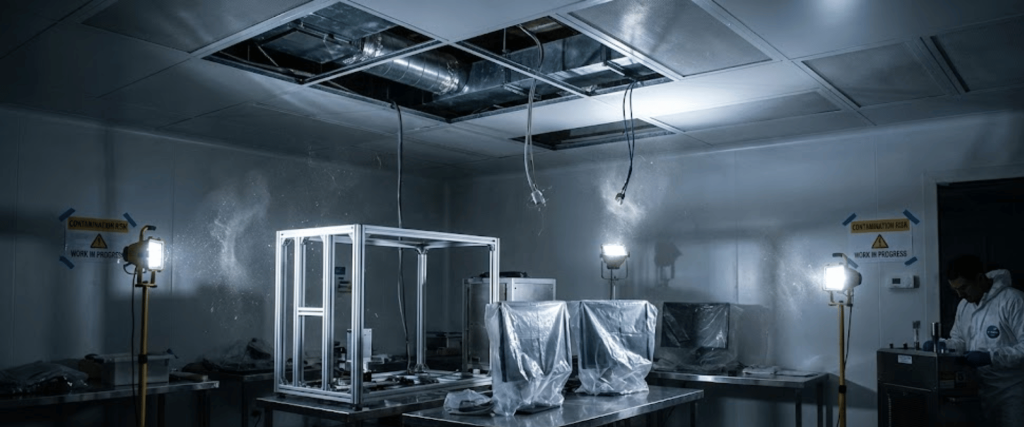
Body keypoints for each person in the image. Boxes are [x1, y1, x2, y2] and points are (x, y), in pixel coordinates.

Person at [940, 255, 1024, 426]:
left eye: (963, 288)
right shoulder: (964, 306)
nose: (960, 295)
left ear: (979, 278)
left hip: (1012, 392)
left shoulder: (1013, 301)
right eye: (955, 290)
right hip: (979, 391)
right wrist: (944, 346)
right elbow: (959, 340)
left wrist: (990, 357)